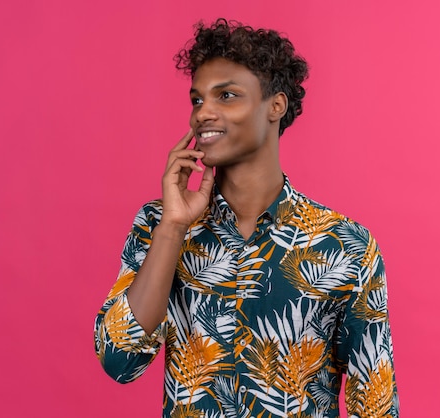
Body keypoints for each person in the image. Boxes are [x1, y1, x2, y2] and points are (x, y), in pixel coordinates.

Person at [94, 18, 399, 418]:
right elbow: (119, 361)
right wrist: (172, 227)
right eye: (198, 100)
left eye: (227, 96)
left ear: (275, 106)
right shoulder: (159, 223)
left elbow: (373, 404)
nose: (203, 113)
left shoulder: (345, 246)